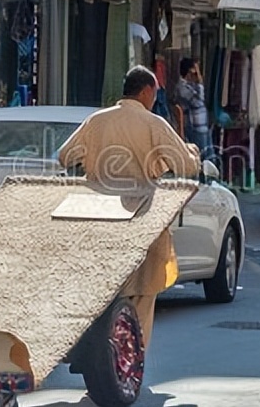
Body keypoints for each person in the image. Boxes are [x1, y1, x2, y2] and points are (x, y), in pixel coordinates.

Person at [57, 66, 201, 348]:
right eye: (155, 93)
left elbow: (65, 156)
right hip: (141, 217)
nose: (154, 98)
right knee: (144, 290)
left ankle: (94, 346)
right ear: (146, 91)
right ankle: (130, 354)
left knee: (100, 287)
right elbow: (185, 165)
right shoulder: (153, 124)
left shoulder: (96, 121)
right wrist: (192, 153)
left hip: (96, 215)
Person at [175, 58, 213, 163]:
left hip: (202, 125)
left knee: (209, 157)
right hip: (195, 127)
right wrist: (200, 81)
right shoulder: (182, 87)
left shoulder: (191, 85)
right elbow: (198, 101)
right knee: (202, 157)